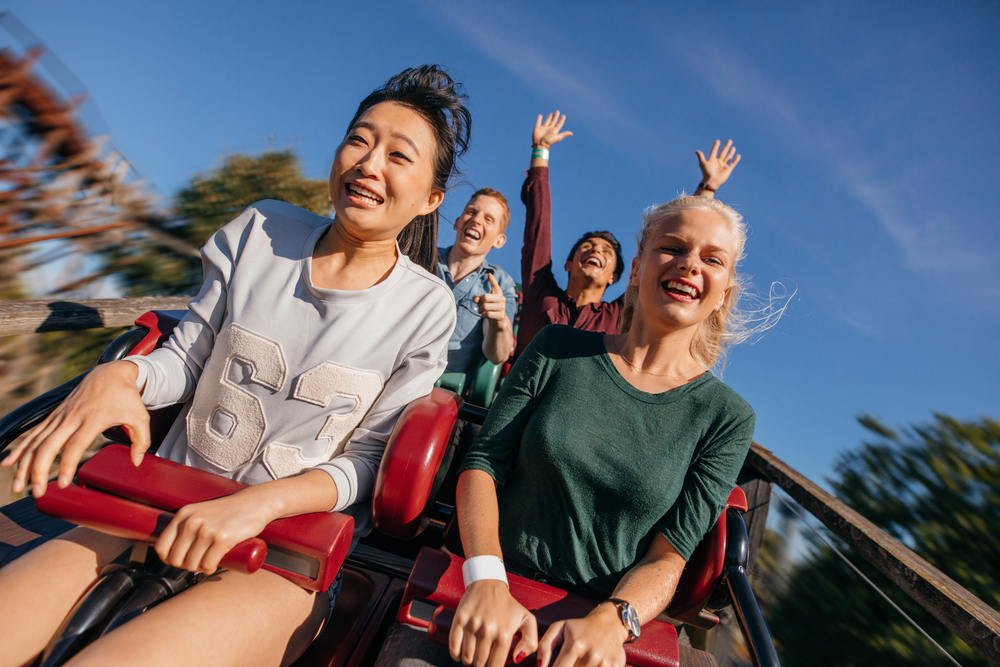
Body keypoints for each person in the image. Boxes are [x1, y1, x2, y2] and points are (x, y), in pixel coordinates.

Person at [0, 64, 470, 667]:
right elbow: (185, 361)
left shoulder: (425, 304)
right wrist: (122, 376)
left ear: (431, 199)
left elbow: (368, 460)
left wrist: (256, 505)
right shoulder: (261, 227)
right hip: (151, 505)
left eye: (399, 156)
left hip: (280, 554)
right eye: (359, 139)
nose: (368, 164)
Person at [375, 194, 762, 667]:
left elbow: (670, 556)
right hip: (488, 591)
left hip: (595, 633)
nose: (688, 266)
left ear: (724, 291)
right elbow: (483, 466)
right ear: (637, 270)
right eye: (674, 248)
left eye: (711, 259)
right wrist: (487, 579)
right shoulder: (556, 347)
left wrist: (612, 622)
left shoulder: (728, 416)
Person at [515, 111, 742, 359]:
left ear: (617, 276)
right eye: (588, 246)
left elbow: (673, 237)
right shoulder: (541, 291)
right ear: (568, 264)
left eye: (606, 251)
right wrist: (541, 149)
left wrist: (707, 188)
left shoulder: (619, 314)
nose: (595, 251)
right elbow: (538, 223)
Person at [436, 188, 518, 379]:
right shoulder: (421, 256)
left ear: (499, 240)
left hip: (441, 389)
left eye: (489, 219)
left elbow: (498, 355)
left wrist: (498, 322)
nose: (477, 220)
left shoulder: (500, 284)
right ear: (457, 222)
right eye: (472, 212)